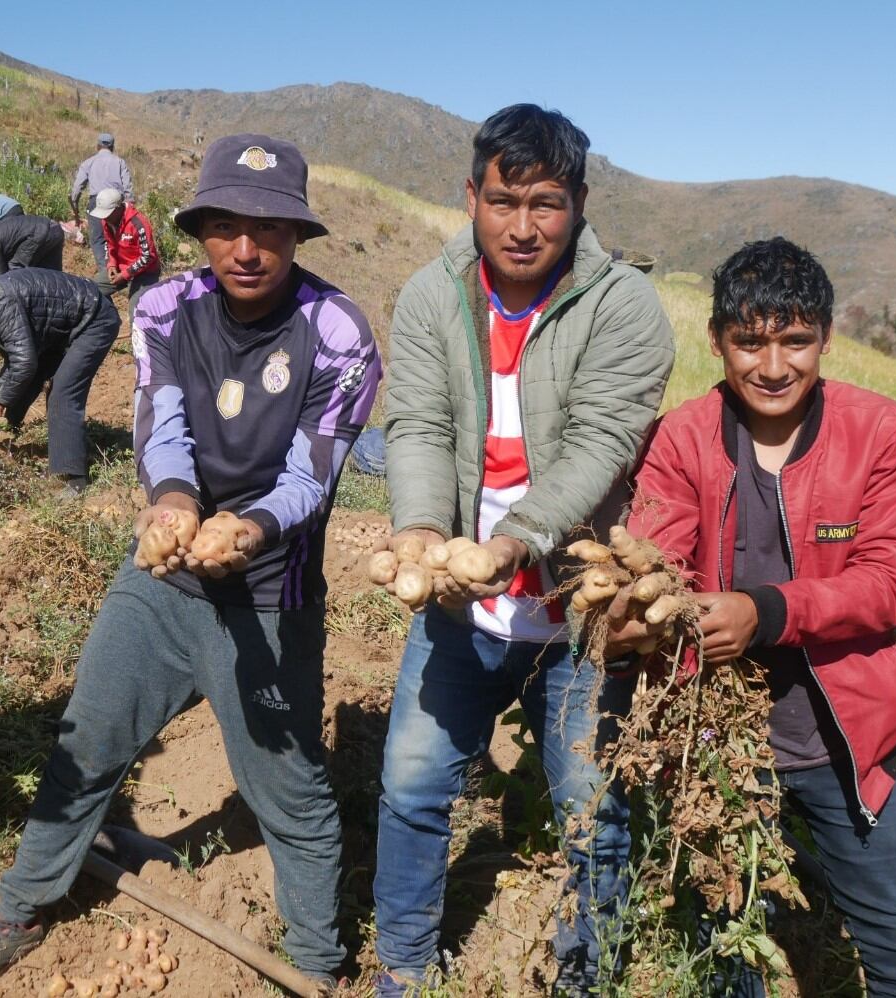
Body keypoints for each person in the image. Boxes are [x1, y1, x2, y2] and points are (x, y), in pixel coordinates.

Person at [0, 133, 380, 998]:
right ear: (201, 226)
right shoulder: (168, 306)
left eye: (271, 229)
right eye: (226, 225)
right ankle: (21, 907)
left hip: (268, 593)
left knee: (288, 796)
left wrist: (246, 530)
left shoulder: (339, 332)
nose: (246, 249)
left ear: (298, 235)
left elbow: (312, 474)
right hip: (161, 580)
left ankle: (317, 965)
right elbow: (159, 420)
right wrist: (172, 503)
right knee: (86, 745)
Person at [374, 104, 675, 997]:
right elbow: (419, 422)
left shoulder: (624, 307)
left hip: (582, 607)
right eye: (503, 200)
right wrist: (425, 531)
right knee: (415, 783)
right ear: (471, 197)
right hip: (465, 602)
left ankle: (584, 979)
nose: (522, 225)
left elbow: (600, 444)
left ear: (579, 203)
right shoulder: (434, 294)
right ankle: (403, 972)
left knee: (593, 811)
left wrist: (514, 543)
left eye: (546, 202)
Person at [615, 237, 896, 997]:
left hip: (841, 738)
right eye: (750, 342)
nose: (773, 365)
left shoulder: (883, 433)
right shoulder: (684, 436)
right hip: (718, 739)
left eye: (795, 341)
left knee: (893, 939)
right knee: (725, 933)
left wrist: (764, 611)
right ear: (719, 341)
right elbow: (658, 558)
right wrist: (640, 618)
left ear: (825, 338)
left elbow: (889, 581)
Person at [0, 268, 119, 496]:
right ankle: (11, 426)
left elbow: (24, 363)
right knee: (35, 373)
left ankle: (75, 480)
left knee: (62, 392)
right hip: (63, 328)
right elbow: (16, 359)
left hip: (93, 320)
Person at [69, 132, 133, 275]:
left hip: (97, 203)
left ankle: (106, 272)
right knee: (119, 237)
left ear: (98, 146)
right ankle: (123, 270)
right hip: (117, 204)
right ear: (112, 147)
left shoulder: (88, 162)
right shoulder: (120, 162)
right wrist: (130, 208)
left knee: (98, 239)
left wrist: (75, 207)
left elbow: (77, 189)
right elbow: (128, 188)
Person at [90, 187, 161, 302]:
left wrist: (125, 275)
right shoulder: (107, 222)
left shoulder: (138, 223)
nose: (105, 217)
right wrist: (112, 265)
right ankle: (108, 317)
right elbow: (109, 245)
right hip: (121, 267)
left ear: (118, 208)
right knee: (92, 290)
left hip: (145, 272)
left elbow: (148, 256)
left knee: (137, 308)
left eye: (108, 214)